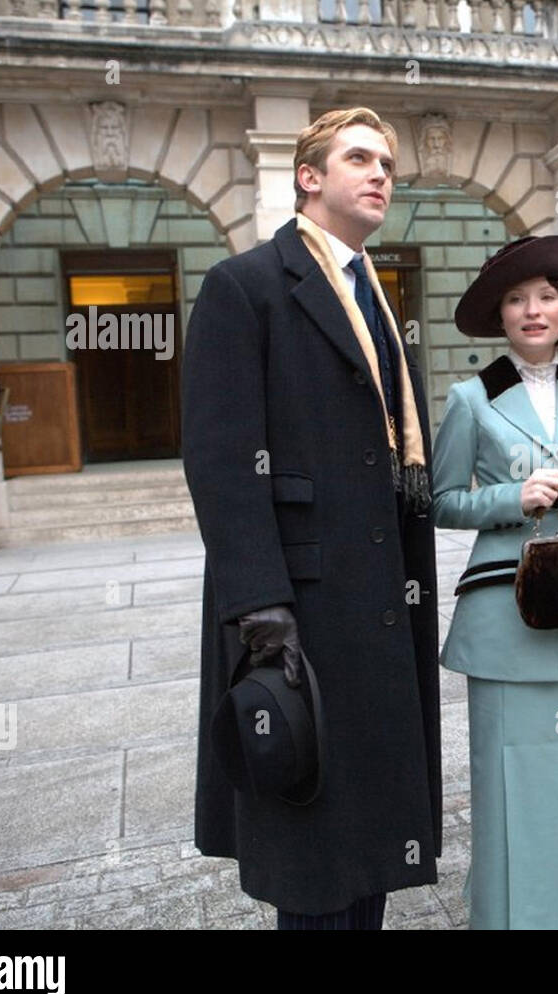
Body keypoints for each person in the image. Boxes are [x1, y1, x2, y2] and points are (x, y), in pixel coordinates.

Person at [182, 107, 442, 930]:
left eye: (388, 165)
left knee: (370, 830)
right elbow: (222, 461)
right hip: (300, 603)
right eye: (359, 158)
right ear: (308, 176)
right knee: (313, 842)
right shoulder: (246, 285)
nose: (379, 175)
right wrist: (259, 606)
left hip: (380, 595)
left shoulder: (374, 294)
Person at [431, 236, 558, 929]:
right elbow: (441, 501)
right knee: (506, 774)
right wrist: (512, 497)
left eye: (546, 296)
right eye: (516, 299)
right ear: (500, 315)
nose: (533, 310)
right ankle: (504, 914)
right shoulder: (470, 398)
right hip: (503, 619)